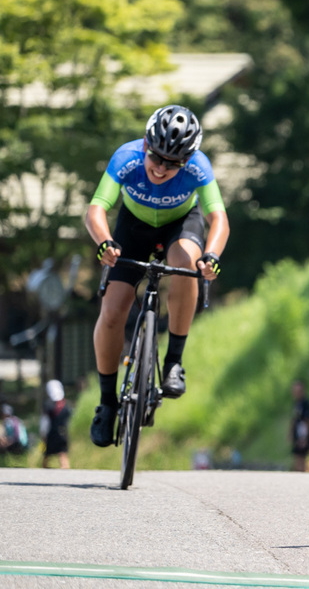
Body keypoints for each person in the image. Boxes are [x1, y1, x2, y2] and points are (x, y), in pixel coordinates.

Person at [86, 104, 230, 448]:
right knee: (113, 311)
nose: (162, 168)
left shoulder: (199, 167)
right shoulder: (127, 157)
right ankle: (107, 404)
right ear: (147, 146)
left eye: (173, 163)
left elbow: (219, 218)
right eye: (157, 157)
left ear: (187, 160)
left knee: (186, 262)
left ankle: (174, 363)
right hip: (132, 229)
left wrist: (212, 257)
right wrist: (104, 242)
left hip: (180, 225)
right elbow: (96, 208)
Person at [40, 379, 71, 469]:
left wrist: (43, 433)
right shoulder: (66, 405)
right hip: (63, 432)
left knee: (47, 454)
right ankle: (65, 468)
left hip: (51, 433)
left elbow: (44, 422)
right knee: (63, 453)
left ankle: (44, 469)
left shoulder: (48, 405)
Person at [289, 380, 309, 472]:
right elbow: (294, 419)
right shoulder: (296, 403)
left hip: (302, 434)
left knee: (301, 458)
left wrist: (305, 437)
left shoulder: (305, 403)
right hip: (297, 433)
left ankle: (301, 476)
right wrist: (291, 433)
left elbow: (307, 420)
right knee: (296, 457)